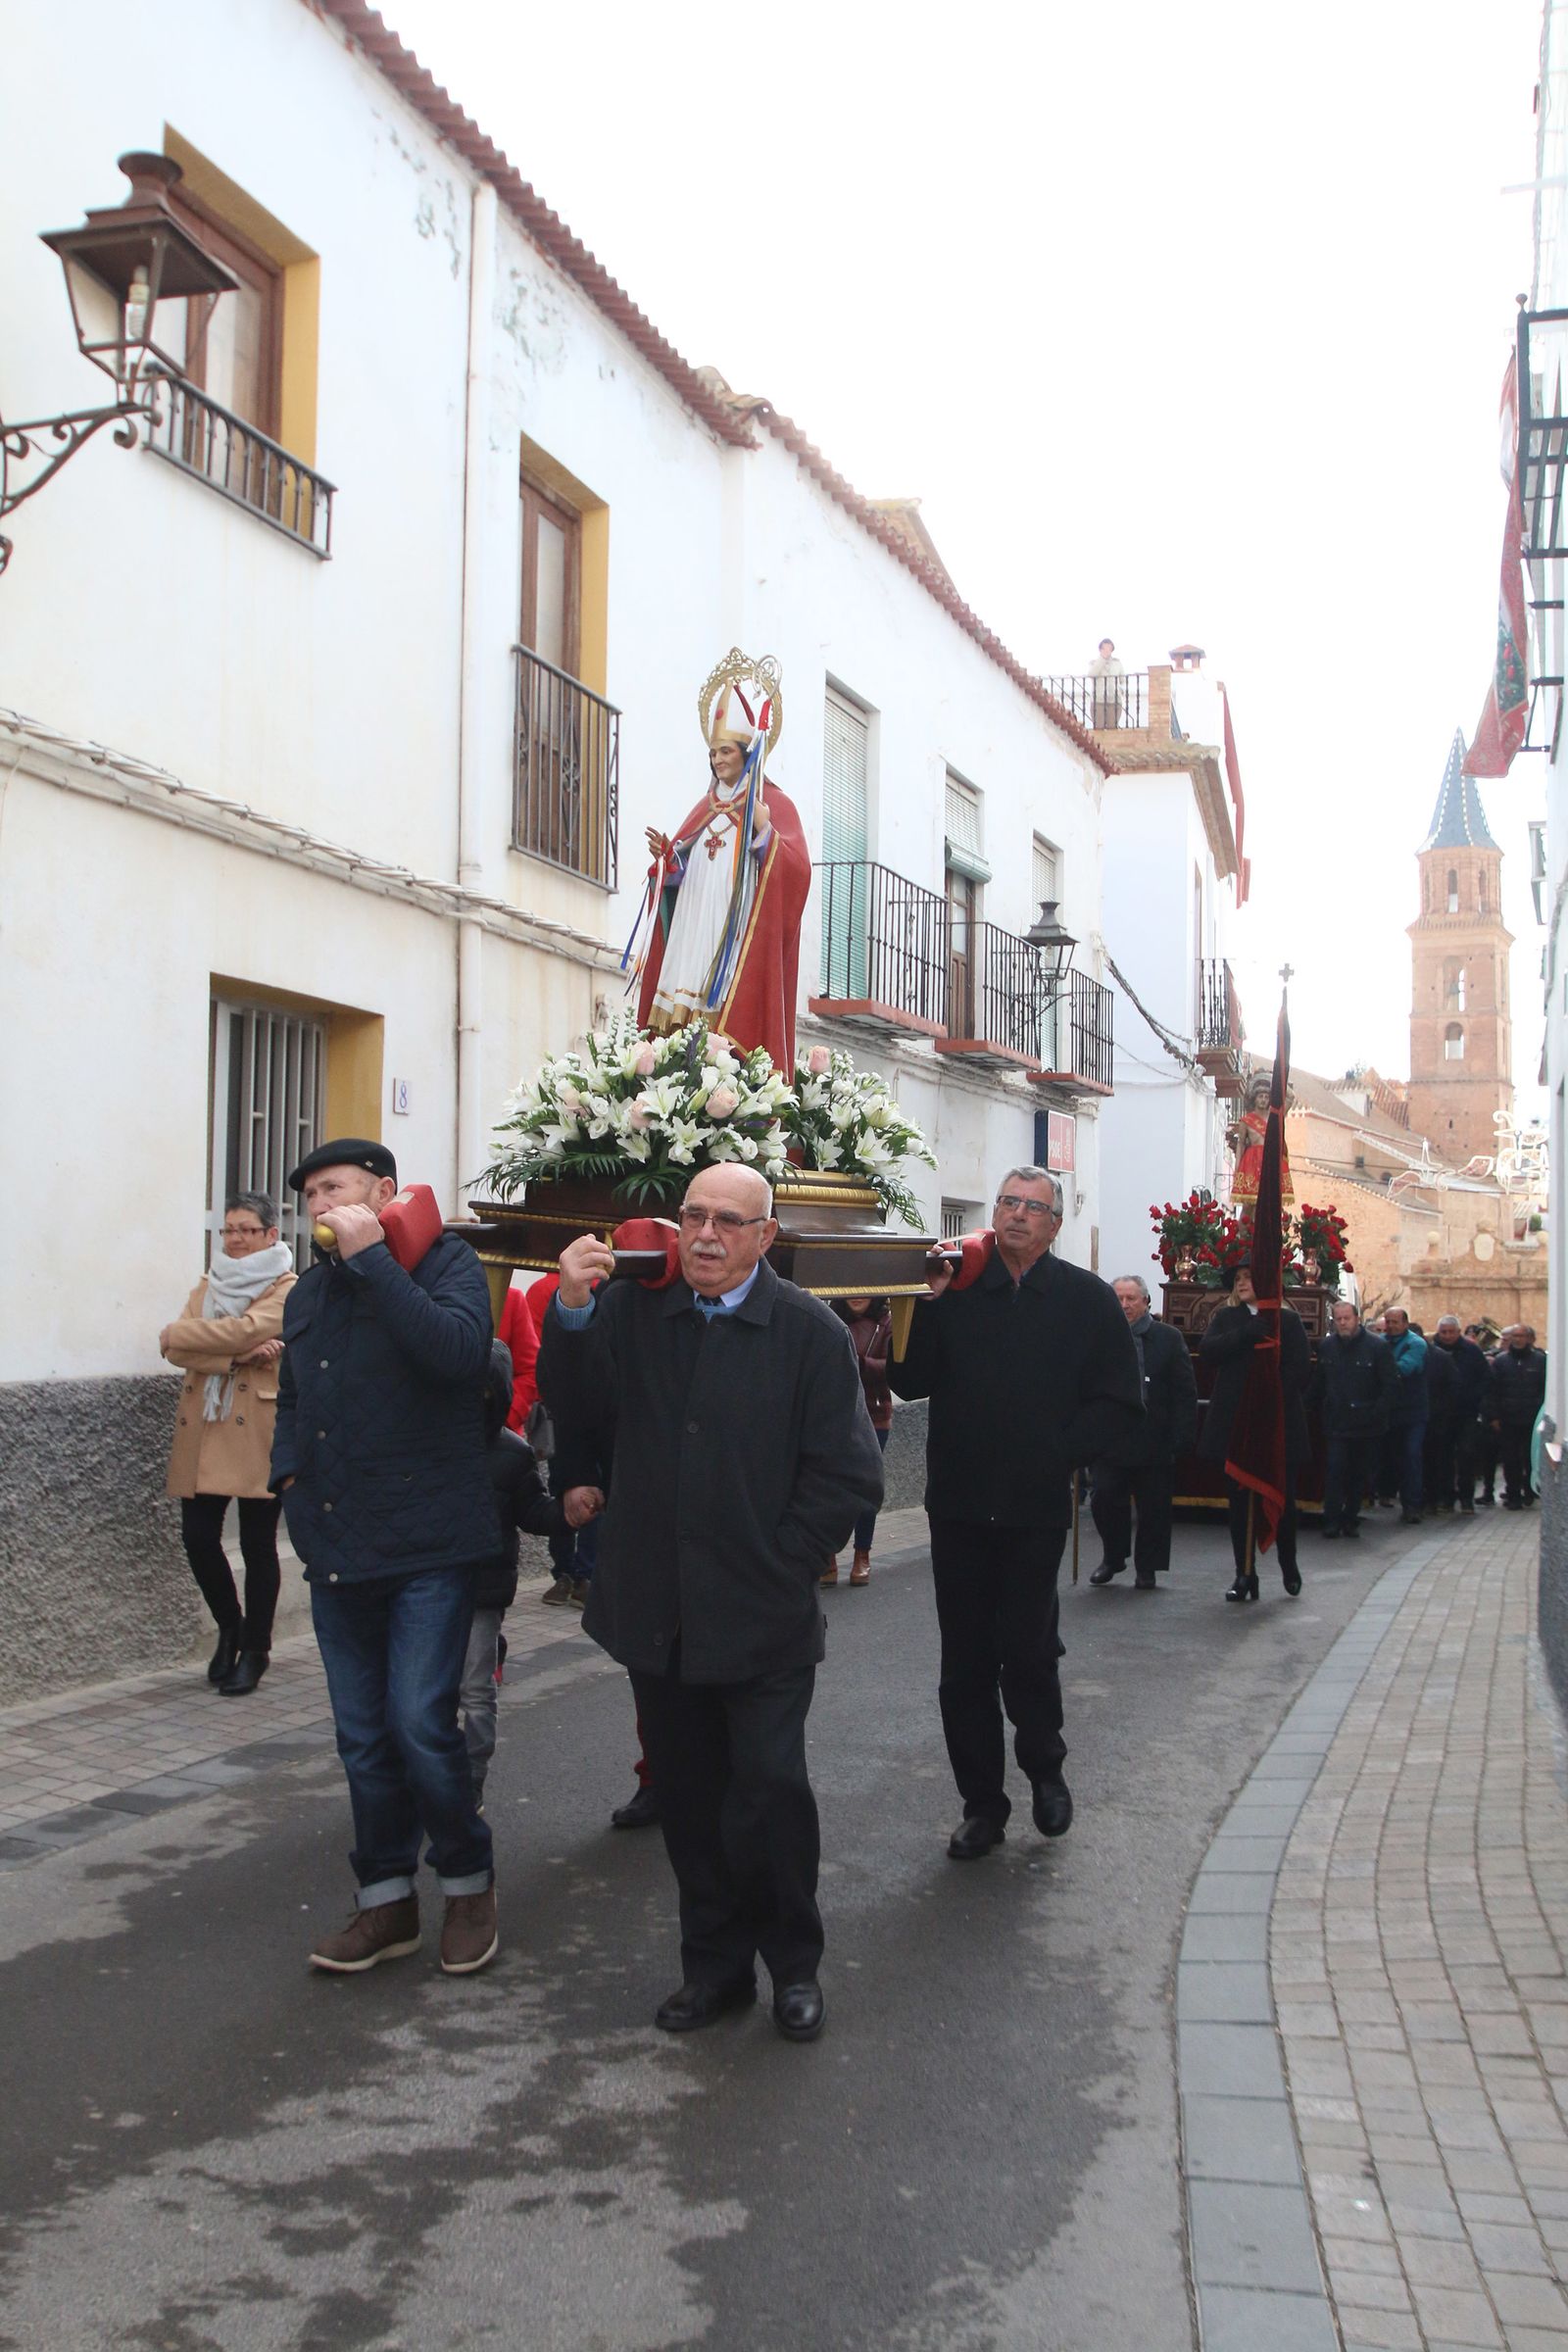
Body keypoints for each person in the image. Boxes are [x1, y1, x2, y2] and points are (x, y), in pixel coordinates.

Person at [538, 1163, 883, 2042]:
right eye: (692, 1215)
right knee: (689, 1802)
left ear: (765, 1237)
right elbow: (579, 1412)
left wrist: (785, 1561)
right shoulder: (634, 1311)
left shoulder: (807, 1333)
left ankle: (793, 1967)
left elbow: (847, 1472)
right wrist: (571, 1312)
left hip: (761, 1618)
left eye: (729, 1221)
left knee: (767, 1793)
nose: (704, 1235)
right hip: (660, 1609)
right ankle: (715, 1970)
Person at [271, 1139, 502, 1978]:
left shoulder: (444, 1262)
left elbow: (455, 1356)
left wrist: (377, 1264)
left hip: (430, 1544)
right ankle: (386, 1903)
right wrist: (286, 1472)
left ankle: (468, 1882)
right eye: (310, 1196)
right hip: (338, 1543)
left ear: (383, 1191)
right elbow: (293, 1392)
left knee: (418, 1724)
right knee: (362, 1739)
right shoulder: (310, 1290)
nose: (320, 1205)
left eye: (335, 1188)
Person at [887, 1167, 1143, 1860]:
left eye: (1034, 1207)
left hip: (1035, 1510)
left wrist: (1060, 1453)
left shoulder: (1086, 1301)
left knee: (1028, 1651)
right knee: (965, 1661)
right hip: (960, 1506)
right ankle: (982, 1804)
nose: (1018, 1216)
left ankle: (1046, 1771)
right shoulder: (957, 1291)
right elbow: (907, 1381)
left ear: (1055, 1225)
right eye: (1008, 1203)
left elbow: (1120, 1401)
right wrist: (928, 1304)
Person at [629, 661, 811, 1075]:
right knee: (682, 1019)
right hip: (694, 934)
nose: (717, 760)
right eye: (713, 752)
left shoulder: (775, 806)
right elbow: (681, 875)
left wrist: (763, 829)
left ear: (747, 753)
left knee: (723, 1011)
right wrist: (669, 863)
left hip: (733, 941)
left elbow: (797, 873)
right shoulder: (703, 808)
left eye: (725, 751)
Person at [160, 1192, 297, 1694]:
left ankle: (256, 1649)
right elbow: (176, 1351)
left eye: (246, 1230)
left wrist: (188, 1334)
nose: (235, 1239)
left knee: (259, 1545)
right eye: (229, 1230)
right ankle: (230, 1627)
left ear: (269, 1235)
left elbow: (248, 1328)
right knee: (198, 1538)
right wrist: (236, 1357)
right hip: (204, 1422)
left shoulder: (287, 1288)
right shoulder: (207, 1284)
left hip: (257, 1429)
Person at [464, 1340, 599, 1808]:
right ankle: (430, 1774)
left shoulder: (512, 1453)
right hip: (428, 1588)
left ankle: (471, 1780)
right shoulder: (427, 1445)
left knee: (476, 1692)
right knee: (427, 1694)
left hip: (483, 1591)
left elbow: (533, 1512)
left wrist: (567, 1514)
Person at [1198, 1265, 1311, 1599]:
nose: (1242, 1283)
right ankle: (1244, 1573)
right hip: (1236, 1424)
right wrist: (1247, 1333)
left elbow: (1299, 1368)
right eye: (1238, 1279)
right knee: (1239, 1501)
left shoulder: (1287, 1322)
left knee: (1283, 1499)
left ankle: (1288, 1563)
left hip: (1276, 1423)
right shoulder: (1227, 1317)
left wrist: (1269, 1401)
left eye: (1249, 1277)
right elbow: (1210, 1351)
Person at [1089, 1275, 1198, 1590]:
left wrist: (1182, 1434)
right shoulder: (1100, 1337)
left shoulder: (1168, 1338)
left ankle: (1147, 1567)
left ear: (1146, 1301)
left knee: (1154, 1508)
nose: (1124, 1305)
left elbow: (1184, 1391)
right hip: (1112, 1437)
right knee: (1105, 1497)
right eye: (1119, 1298)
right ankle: (1113, 1556)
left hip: (1154, 1436)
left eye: (1131, 1299)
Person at [822, 1296, 894, 1587]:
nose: (858, 1294)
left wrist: (860, 1363)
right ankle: (826, 1556)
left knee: (866, 1488)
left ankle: (862, 1555)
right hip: (833, 1416)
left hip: (874, 1415)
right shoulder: (829, 1319)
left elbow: (894, 1367)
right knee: (827, 1488)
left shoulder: (886, 1323)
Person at [1314, 1298, 1396, 1539]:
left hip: (1366, 1424)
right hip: (1337, 1422)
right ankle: (1331, 1520)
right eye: (1338, 1319)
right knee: (1335, 1471)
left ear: (1356, 1319)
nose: (1342, 1323)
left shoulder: (1377, 1348)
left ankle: (1350, 1518)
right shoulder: (1327, 1346)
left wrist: (1376, 1413)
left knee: (1358, 1474)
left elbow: (1390, 1386)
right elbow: (1320, 1383)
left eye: (1346, 1318)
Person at [1430, 1317, 1489, 1514]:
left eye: (1450, 1332)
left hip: (1466, 1413)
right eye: (1443, 1332)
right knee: (1442, 1457)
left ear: (1458, 1331)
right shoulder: (1431, 1351)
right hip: (1440, 1414)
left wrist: (1474, 1399)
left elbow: (1485, 1379)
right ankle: (1445, 1497)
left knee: (1466, 1455)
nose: (1447, 1336)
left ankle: (1466, 1497)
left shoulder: (1472, 1352)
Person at [1377, 1307, 1429, 1524]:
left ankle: (1412, 1505)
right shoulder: (1379, 1341)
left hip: (1412, 1412)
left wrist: (1376, 1370)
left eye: (1395, 1322)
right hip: (1389, 1410)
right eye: (1388, 1321)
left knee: (1411, 1456)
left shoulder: (1415, 1344)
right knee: (1390, 1457)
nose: (1390, 1326)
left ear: (1405, 1323)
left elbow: (1403, 1369)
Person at [1490, 1324, 1548, 1508]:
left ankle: (1529, 1490)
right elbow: (1492, 1391)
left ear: (1529, 1338)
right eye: (1514, 1335)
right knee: (1510, 1458)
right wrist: (1494, 1416)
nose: (1517, 1339)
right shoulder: (1501, 1362)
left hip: (1532, 1419)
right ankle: (1513, 1494)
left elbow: (1545, 1389)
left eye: (1521, 1335)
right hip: (1508, 1419)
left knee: (1529, 1457)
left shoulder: (1540, 1361)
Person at [1087, 637, 1126, 728]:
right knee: (1098, 728)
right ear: (1100, 649)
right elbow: (1092, 674)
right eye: (1105, 648)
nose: (1107, 650)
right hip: (1098, 700)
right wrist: (1102, 659)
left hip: (1114, 700)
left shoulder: (1117, 663)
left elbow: (1122, 680)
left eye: (1109, 648)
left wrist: (1120, 691)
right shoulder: (1094, 663)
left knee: (1113, 728)